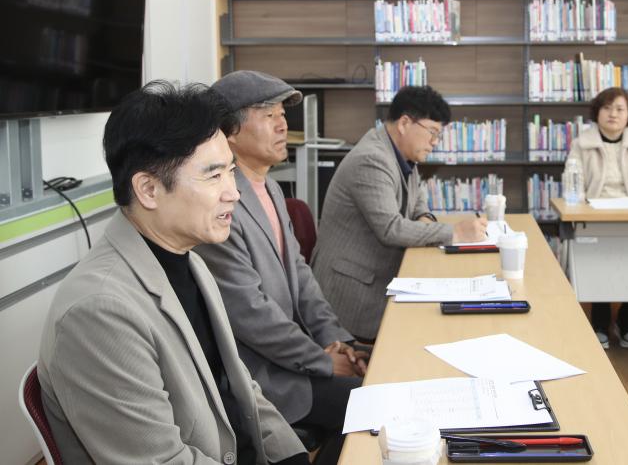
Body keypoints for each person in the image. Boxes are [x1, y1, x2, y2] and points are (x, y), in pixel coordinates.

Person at [37, 81, 308, 465]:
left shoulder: (190, 261)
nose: (233, 192)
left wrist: (294, 456)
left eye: (231, 172)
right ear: (148, 189)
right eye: (214, 176)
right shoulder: (99, 311)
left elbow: (242, 389)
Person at [196, 70, 367, 465]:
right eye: (267, 114)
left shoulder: (271, 188)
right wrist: (322, 361)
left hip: (294, 356)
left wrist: (336, 340)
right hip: (262, 375)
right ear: (230, 132)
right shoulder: (224, 203)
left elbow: (301, 277)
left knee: (374, 383)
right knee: (368, 405)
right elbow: (251, 314)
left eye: (282, 114)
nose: (282, 124)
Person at [311, 85, 487, 341]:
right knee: (430, 331)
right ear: (405, 123)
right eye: (432, 132)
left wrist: (425, 221)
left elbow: (419, 204)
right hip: (354, 293)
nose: (435, 142)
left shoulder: (403, 155)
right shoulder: (372, 159)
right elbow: (391, 229)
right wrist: (455, 232)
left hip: (381, 275)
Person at [566, 87, 628, 349]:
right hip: (596, 218)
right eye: (607, 108)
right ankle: (600, 325)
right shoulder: (581, 144)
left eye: (620, 109)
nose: (613, 114)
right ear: (597, 112)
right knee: (599, 264)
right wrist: (584, 210)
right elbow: (574, 183)